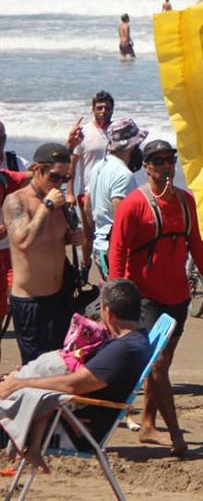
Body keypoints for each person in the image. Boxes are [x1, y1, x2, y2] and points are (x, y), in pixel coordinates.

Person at [108, 139, 203, 456]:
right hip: (143, 298)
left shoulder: (187, 203)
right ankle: (176, 434)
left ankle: (148, 425)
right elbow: (117, 252)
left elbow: (201, 253)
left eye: (170, 159)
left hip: (177, 298)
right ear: (146, 166)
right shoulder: (134, 204)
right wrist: (113, 302)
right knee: (158, 366)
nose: (166, 166)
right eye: (159, 161)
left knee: (159, 365)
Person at [0, 278, 150, 473]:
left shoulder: (123, 350)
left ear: (108, 312)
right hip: (65, 415)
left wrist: (19, 384)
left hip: (72, 430)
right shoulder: (132, 341)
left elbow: (73, 385)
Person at [2, 144, 84, 365]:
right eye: (54, 177)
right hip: (31, 302)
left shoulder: (58, 203)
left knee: (62, 364)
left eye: (64, 179)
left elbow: (56, 238)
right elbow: (23, 242)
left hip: (60, 298)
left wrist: (75, 237)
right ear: (37, 169)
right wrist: (46, 206)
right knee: (37, 369)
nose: (58, 184)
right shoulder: (17, 201)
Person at [85, 118, 148, 279]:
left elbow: (87, 207)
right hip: (113, 251)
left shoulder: (98, 167)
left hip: (100, 246)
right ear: (130, 146)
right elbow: (123, 219)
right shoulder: (122, 174)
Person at [69, 90, 115, 280]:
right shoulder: (84, 132)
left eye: (107, 107)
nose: (103, 110)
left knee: (110, 235)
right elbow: (72, 164)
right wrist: (70, 193)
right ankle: (85, 265)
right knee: (90, 237)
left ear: (112, 109)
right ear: (93, 109)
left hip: (111, 192)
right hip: (87, 192)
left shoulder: (117, 132)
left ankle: (109, 271)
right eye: (99, 107)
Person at [0, 128, 32, 338]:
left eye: (1, 138)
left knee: (16, 302)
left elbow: (40, 176)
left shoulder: (14, 163)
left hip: (14, 246)